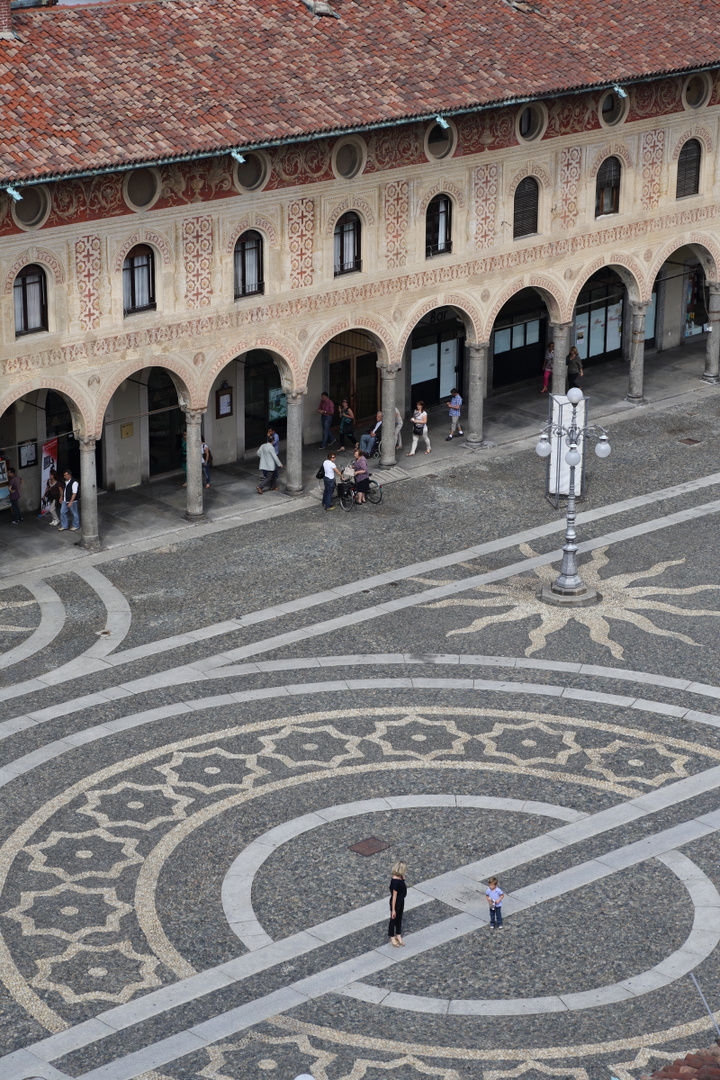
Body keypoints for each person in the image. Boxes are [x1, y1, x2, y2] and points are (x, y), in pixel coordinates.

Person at [388, 860, 407, 947]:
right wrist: (393, 910)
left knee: (399, 918)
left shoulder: (400, 878)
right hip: (396, 902)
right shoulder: (395, 881)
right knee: (393, 919)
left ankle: (398, 934)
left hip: (401, 900)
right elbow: (394, 896)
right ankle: (392, 936)